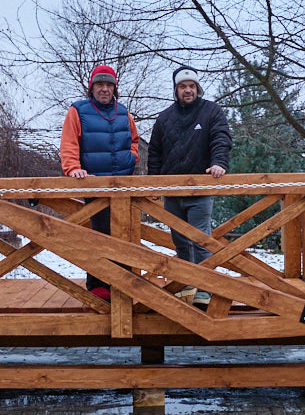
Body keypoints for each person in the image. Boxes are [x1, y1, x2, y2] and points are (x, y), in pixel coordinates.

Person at [147, 65, 232, 307]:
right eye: (183, 86)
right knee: (181, 241)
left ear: (198, 88)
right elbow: (154, 153)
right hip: (172, 192)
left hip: (201, 190)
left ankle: (205, 288)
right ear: (176, 90)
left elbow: (221, 138)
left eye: (191, 86)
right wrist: (153, 184)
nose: (187, 90)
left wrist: (218, 163)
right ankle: (186, 284)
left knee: (200, 239)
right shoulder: (164, 118)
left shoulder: (211, 111)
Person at [59, 63, 140, 301]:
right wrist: (73, 169)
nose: (104, 89)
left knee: (125, 234)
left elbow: (134, 140)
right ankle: (97, 284)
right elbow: (69, 143)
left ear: (114, 88)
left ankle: (123, 281)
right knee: (100, 234)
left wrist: (132, 158)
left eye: (108, 85)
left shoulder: (124, 112)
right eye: (100, 84)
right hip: (94, 184)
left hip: (122, 185)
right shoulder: (78, 110)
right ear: (91, 87)